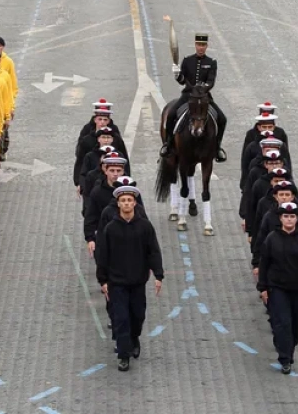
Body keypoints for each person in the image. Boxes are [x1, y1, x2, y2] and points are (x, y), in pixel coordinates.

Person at [95, 184, 164, 372]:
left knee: (137, 315)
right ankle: (123, 355)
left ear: (135, 203)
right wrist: (103, 281)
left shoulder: (145, 227)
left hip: (137, 281)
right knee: (121, 318)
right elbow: (103, 256)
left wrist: (158, 275)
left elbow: (153, 251)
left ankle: (134, 338)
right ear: (118, 204)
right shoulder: (111, 228)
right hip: (117, 283)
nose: (126, 203)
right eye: (123, 201)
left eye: (129, 200)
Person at [256, 201, 298, 375]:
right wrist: (263, 287)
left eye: (292, 216)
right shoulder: (272, 239)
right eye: (286, 216)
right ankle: (285, 358)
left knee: (297, 323)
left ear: (297, 219)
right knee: (282, 322)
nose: (289, 220)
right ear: (280, 218)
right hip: (277, 288)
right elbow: (264, 263)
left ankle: (290, 345)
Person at [163, 32, 228, 162]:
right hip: (188, 96)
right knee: (170, 116)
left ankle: (217, 147)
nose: (201, 47)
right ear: (195, 45)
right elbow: (183, 81)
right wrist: (177, 75)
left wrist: (201, 89)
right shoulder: (187, 60)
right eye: (199, 44)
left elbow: (211, 81)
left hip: (204, 97)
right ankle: (168, 144)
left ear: (207, 46)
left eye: (203, 45)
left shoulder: (211, 62)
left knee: (222, 118)